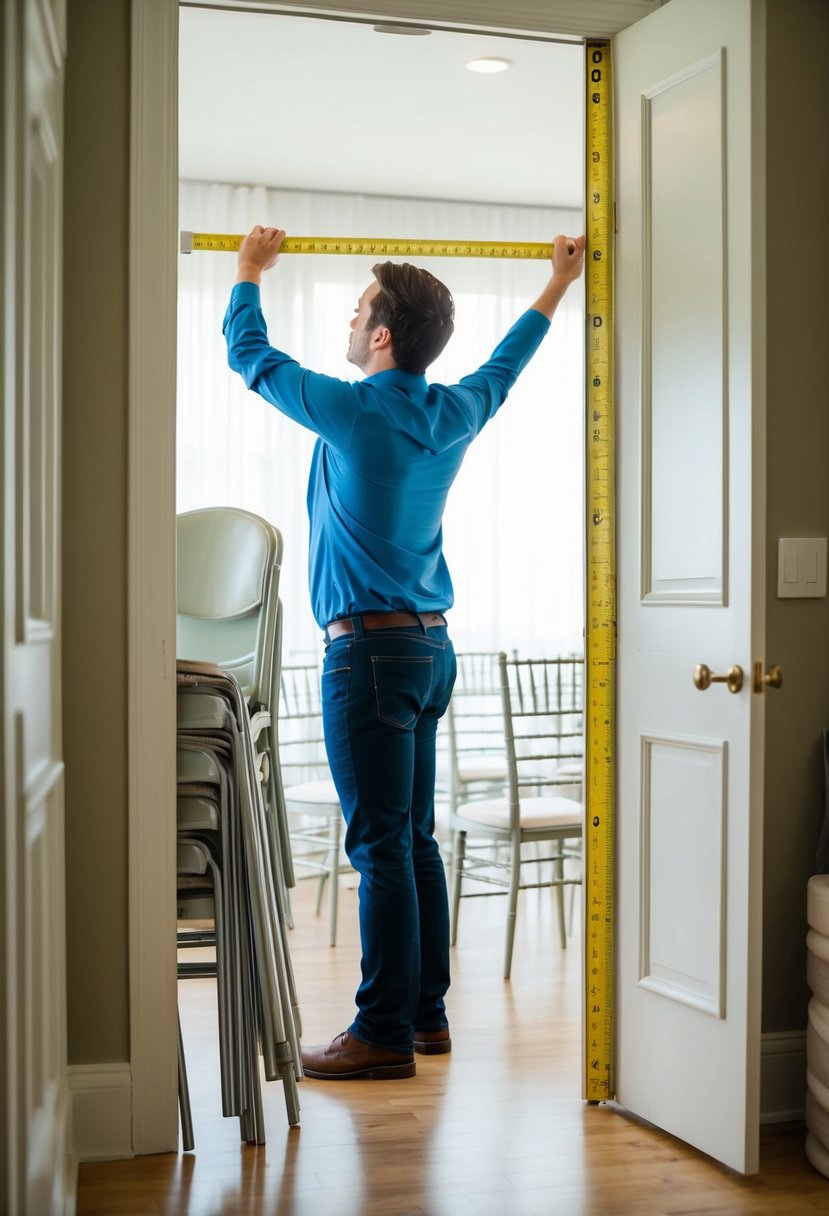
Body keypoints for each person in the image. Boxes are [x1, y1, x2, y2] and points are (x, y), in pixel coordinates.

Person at [223, 226, 585, 1080]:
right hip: (431, 653)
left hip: (371, 657)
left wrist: (247, 271)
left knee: (381, 845)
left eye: (358, 313)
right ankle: (425, 1016)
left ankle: (382, 1031)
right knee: (412, 840)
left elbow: (250, 356)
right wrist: (554, 286)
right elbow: (506, 364)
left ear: (383, 335)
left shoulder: (352, 408)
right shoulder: (452, 410)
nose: (349, 323)